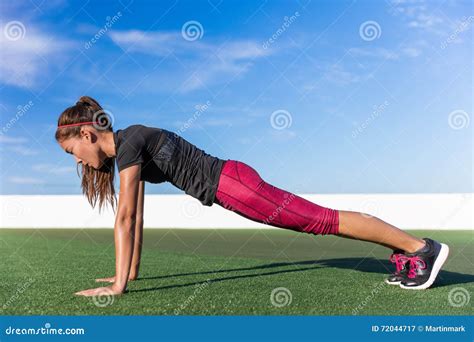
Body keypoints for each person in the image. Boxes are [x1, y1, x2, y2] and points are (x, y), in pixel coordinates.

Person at [55, 96, 449, 297]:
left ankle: (420, 247)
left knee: (322, 220)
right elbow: (136, 215)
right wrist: (130, 273)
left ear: (87, 134)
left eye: (74, 153)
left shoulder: (128, 143)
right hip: (233, 184)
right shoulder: (130, 145)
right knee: (320, 220)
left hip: (234, 185)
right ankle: (413, 250)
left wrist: (118, 287)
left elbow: (124, 218)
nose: (82, 163)